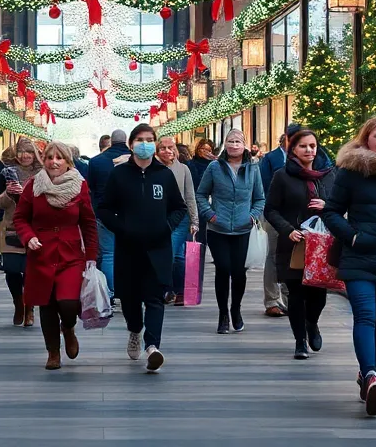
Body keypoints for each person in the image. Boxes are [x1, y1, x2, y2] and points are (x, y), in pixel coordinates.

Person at [322, 116, 376, 416]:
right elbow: (332, 211)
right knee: (366, 316)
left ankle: (369, 374)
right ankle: (372, 374)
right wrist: (353, 237)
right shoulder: (350, 171)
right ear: (366, 139)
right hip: (359, 256)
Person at [96, 124, 185, 373]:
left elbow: (179, 207)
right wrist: (121, 227)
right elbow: (103, 208)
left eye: (149, 139)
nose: (145, 143)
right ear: (132, 144)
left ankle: (153, 347)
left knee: (155, 299)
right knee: (131, 299)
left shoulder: (164, 175)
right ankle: (135, 330)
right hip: (129, 248)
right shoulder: (120, 175)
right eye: (140, 139)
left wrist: (167, 227)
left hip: (158, 247)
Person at [14, 142, 99, 369]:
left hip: (71, 255)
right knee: (47, 304)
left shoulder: (79, 186)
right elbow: (20, 217)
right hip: (41, 253)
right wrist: (28, 236)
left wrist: (91, 255)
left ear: (68, 162)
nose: (54, 162)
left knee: (69, 302)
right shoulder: (34, 185)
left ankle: (68, 327)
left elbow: (89, 223)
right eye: (49, 157)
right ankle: (53, 352)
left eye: (59, 158)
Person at [265, 128, 337, 359]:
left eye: (312, 146)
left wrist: (326, 206)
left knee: (318, 295)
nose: (309, 150)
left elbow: (339, 206)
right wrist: (288, 230)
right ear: (293, 149)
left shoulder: (328, 175)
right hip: (295, 242)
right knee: (295, 292)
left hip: (321, 243)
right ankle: (299, 342)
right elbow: (271, 209)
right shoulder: (282, 176)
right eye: (303, 146)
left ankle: (311, 323)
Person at [196, 129, 265, 334]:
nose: (234, 145)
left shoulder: (253, 169)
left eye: (238, 141)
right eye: (230, 141)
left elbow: (260, 198)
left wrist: (252, 216)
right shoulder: (214, 167)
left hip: (243, 229)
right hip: (218, 228)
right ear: (225, 144)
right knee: (223, 269)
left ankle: (236, 309)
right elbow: (201, 194)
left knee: (239, 272)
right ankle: (223, 314)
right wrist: (210, 215)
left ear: (244, 145)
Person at [0, 138, 41, 325]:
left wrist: (28, 195)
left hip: (36, 229)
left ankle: (29, 307)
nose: (25, 156)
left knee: (30, 271)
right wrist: (8, 194)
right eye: (21, 152)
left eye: (29, 152)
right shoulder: (7, 173)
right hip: (11, 228)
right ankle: (18, 302)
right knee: (12, 270)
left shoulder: (43, 173)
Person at [86, 128, 131, 300]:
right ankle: (128, 290)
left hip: (104, 213)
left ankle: (111, 293)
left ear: (111, 141)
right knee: (131, 254)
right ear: (126, 140)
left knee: (108, 254)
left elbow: (91, 188)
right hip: (131, 213)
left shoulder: (96, 162)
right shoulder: (136, 160)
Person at [156, 135, 199, 305]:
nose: (168, 151)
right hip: (159, 217)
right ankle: (178, 291)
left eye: (171, 147)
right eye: (163, 148)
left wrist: (195, 221)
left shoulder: (183, 169)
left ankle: (165, 289)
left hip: (180, 218)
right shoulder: (152, 168)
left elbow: (190, 196)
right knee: (179, 256)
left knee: (170, 252)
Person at [258, 132, 291, 318]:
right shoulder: (270, 158)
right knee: (272, 256)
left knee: (293, 257)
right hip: (275, 214)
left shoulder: (310, 158)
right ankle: (271, 300)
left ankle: (289, 299)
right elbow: (264, 186)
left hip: (298, 217)